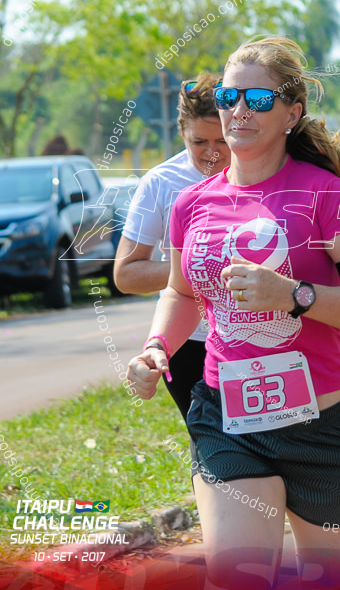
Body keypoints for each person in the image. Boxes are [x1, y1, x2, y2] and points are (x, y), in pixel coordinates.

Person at [126, 37, 340, 584]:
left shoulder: (325, 194)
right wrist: (157, 347)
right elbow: (182, 293)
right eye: (229, 96)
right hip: (228, 418)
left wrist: (296, 295)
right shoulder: (190, 203)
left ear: (291, 113)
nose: (239, 111)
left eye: (258, 99)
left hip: (325, 427)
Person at [115, 71, 229, 421]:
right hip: (190, 343)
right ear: (181, 133)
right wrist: (195, 267)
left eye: (221, 140)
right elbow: (126, 274)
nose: (210, 153)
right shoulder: (161, 183)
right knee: (213, 451)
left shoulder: (263, 172)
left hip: (258, 340)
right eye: (198, 142)